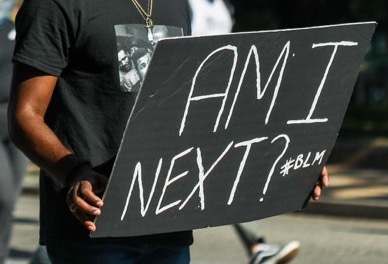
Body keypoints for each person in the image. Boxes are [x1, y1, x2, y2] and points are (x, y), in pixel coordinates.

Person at [8, 1, 329, 264]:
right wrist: (73, 171)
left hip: (167, 227)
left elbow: (197, 112)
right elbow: (25, 116)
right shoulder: (54, 4)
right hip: (92, 230)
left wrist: (291, 158)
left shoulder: (176, 5)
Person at [187, 1, 326, 264]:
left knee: (221, 173)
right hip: (197, 101)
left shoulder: (224, 9)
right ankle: (255, 246)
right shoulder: (186, 4)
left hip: (225, 100)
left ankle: (255, 246)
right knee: (216, 174)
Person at [0, 1, 29, 263]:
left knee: (11, 201)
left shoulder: (36, 33)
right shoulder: (4, 29)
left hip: (20, 127)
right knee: (3, 196)